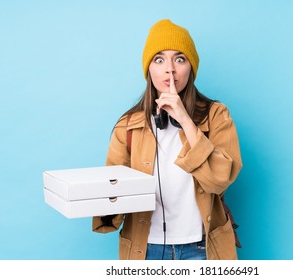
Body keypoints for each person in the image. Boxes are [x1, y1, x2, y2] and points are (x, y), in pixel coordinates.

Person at [92, 19, 242, 260]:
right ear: (148, 69)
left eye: (179, 59)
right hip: (146, 248)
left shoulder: (216, 115)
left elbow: (220, 180)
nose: (169, 69)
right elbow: (112, 191)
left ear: (190, 68)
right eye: (159, 59)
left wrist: (185, 120)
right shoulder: (128, 124)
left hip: (202, 248)